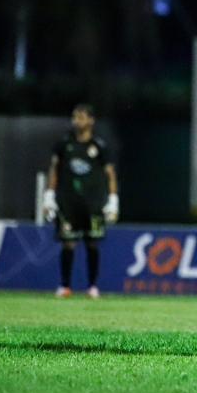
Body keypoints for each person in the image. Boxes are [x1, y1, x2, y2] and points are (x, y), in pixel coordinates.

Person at [41, 104, 118, 298]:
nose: (77, 121)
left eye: (82, 117)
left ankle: (92, 286)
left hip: (93, 203)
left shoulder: (99, 146)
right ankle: (64, 286)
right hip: (68, 202)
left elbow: (110, 174)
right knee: (68, 243)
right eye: (75, 117)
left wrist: (112, 201)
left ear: (91, 120)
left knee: (92, 243)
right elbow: (54, 169)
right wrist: (49, 197)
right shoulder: (64, 144)